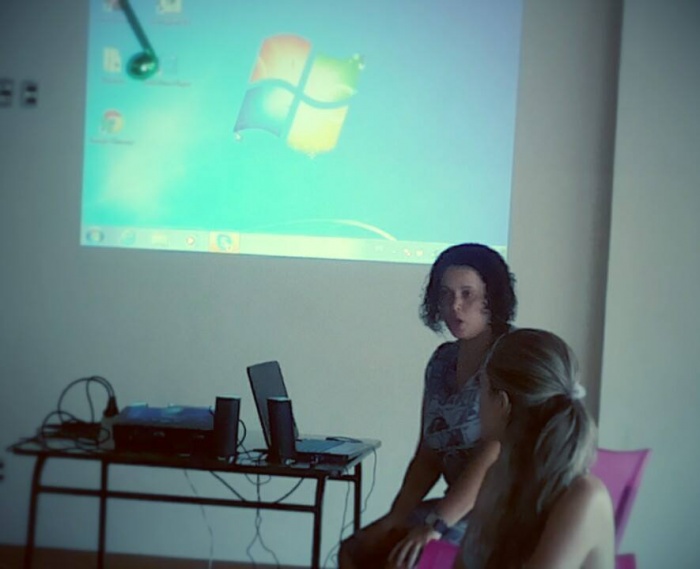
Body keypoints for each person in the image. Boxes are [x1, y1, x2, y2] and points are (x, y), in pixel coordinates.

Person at [339, 243, 517, 569]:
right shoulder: (442, 362)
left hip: (505, 515)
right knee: (356, 549)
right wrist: (396, 516)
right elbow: (428, 455)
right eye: (445, 295)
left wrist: (436, 526)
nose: (455, 306)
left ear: (492, 296)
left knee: (405, 559)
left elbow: (492, 455)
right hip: (453, 509)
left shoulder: (514, 356)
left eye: (467, 294)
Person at [455, 328, 615, 569]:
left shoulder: (585, 497)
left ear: (502, 403)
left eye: (482, 388)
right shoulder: (496, 476)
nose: (477, 403)